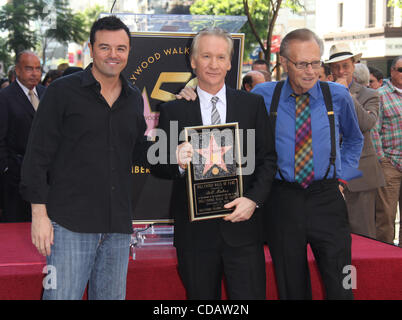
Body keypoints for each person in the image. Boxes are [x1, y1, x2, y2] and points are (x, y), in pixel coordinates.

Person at [20, 16, 149, 300]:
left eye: (120, 48)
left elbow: (139, 149)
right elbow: (37, 156)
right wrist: (38, 215)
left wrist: (174, 155)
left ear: (129, 51)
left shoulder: (132, 98)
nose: (113, 55)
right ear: (91, 48)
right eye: (105, 47)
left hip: (117, 227)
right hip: (69, 225)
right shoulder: (62, 92)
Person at [152, 27, 277, 300]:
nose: (213, 64)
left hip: (243, 229)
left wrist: (253, 200)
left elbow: (268, 159)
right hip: (195, 235)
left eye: (221, 57)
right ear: (193, 61)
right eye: (206, 56)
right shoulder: (174, 109)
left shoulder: (252, 105)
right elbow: (159, 165)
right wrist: (178, 162)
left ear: (230, 63)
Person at [252, 29, 363, 299]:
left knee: (343, 280)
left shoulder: (337, 95)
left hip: (327, 198)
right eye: (302, 64)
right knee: (291, 285)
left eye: (316, 63)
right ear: (285, 63)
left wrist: (342, 177)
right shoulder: (262, 95)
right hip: (282, 199)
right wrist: (191, 90)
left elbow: (354, 139)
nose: (311, 71)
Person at [326, 43, 384, 239]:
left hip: (360, 174)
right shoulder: (322, 92)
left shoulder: (370, 94)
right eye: (336, 67)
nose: (341, 71)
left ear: (354, 65)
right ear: (330, 69)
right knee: (331, 235)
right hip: (328, 175)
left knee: (363, 234)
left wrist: (348, 96)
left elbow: (367, 124)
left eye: (345, 66)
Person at [0, 51, 45, 222]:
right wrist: (7, 169)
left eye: (38, 68)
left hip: (44, 176)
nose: (34, 73)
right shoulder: (4, 98)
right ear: (17, 70)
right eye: (29, 68)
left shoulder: (46, 93)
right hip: (15, 177)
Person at [371, 56, 402, 247]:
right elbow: (374, 130)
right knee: (386, 216)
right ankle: (385, 257)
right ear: (392, 72)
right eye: (401, 69)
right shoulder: (380, 95)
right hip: (390, 163)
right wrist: (382, 159)